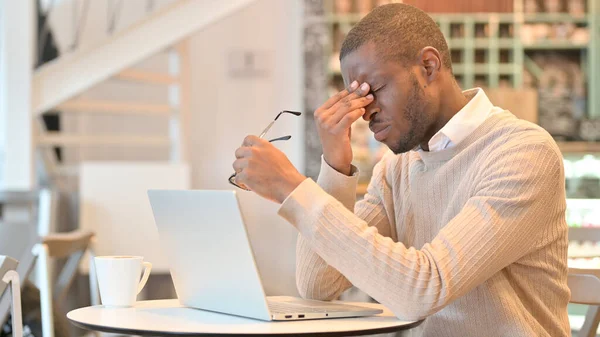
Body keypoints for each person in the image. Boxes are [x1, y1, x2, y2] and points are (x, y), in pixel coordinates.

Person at [232, 3, 569, 336]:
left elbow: (424, 289)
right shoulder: (397, 168)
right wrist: (335, 166)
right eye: (354, 96)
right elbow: (318, 284)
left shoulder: (522, 152)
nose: (365, 111)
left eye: (372, 90)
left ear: (428, 66)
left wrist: (294, 189)